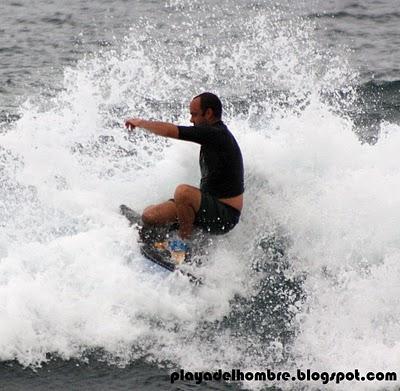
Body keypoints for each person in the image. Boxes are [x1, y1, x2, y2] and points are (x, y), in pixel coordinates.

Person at [124, 92, 244, 241]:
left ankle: (183, 243)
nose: (191, 120)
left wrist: (142, 123)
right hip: (205, 206)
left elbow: (171, 130)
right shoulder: (211, 135)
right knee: (149, 216)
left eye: (194, 115)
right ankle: (169, 228)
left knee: (183, 192)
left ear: (208, 113)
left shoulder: (217, 134)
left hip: (225, 216)